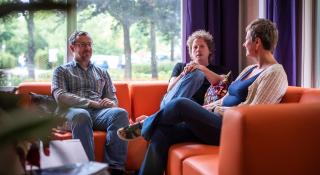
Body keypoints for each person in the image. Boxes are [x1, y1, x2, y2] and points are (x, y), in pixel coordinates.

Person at [117, 18, 288, 175]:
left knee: (181, 104)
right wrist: (202, 110)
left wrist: (217, 110)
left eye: (246, 39)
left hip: (231, 130)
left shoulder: (274, 73)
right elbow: (224, 98)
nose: (243, 44)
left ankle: (144, 125)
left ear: (257, 42)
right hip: (215, 121)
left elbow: (254, 114)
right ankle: (149, 131)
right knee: (162, 133)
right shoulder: (249, 70)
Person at [51, 31, 129, 175]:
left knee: (120, 113)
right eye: (82, 45)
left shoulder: (102, 72)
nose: (87, 48)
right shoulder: (61, 71)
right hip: (71, 112)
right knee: (82, 115)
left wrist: (110, 103)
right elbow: (60, 96)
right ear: (72, 48)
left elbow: (113, 98)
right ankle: (89, 170)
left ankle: (115, 168)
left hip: (98, 113)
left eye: (89, 44)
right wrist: (92, 103)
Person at [160, 30, 229, 108]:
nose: (198, 50)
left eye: (202, 46)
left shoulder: (220, 70)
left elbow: (224, 81)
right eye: (195, 47)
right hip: (170, 103)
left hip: (193, 110)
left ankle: (156, 118)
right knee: (197, 74)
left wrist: (201, 68)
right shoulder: (180, 66)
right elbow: (169, 89)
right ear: (191, 52)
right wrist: (183, 74)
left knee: (199, 73)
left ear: (209, 50)